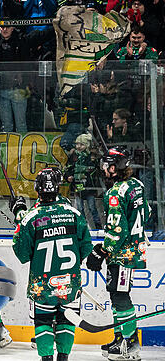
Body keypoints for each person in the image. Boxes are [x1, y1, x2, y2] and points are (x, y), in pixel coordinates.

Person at [14, 168, 92, 361]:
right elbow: (86, 246)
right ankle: (63, 357)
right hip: (69, 281)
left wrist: (19, 217)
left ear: (37, 189)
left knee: (43, 321)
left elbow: (22, 253)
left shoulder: (31, 218)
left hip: (42, 283)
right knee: (67, 319)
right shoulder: (73, 213)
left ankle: (47, 358)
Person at [86, 147, 150, 361]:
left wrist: (102, 250)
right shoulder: (137, 185)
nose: (103, 170)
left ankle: (130, 344)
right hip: (133, 249)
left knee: (120, 297)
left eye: (106, 166)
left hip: (123, 254)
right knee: (116, 294)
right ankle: (119, 338)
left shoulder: (116, 192)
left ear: (114, 168)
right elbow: (146, 213)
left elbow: (117, 230)